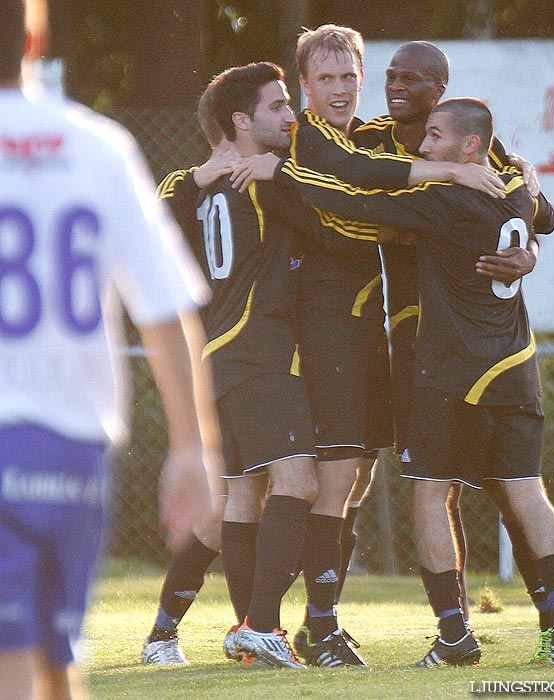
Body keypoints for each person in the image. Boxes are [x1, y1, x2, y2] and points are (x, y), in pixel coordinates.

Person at [274, 97, 554, 668]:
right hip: (518, 366)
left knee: (428, 491)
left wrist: (284, 169)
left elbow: (351, 206)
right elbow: (541, 213)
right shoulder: (515, 180)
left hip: (453, 373)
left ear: (470, 145)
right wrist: (532, 240)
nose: (425, 147)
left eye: (437, 136)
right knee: (526, 490)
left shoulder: (446, 200)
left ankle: (452, 636)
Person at [230, 24, 505, 668]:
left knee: (354, 480)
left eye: (350, 76)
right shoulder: (310, 135)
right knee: (334, 477)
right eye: (325, 79)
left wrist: (525, 219)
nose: (341, 90)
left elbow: (491, 160)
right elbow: (353, 195)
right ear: (305, 86)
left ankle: (308, 624)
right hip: (325, 329)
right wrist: (440, 183)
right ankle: (297, 626)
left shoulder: (374, 132)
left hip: (363, 331)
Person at [0, 1, 215, 698]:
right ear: (36, 36)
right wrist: (192, 447)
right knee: (58, 662)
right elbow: (164, 308)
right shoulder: (97, 145)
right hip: (73, 447)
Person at [352, 40, 554, 662]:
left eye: (411, 79)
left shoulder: (486, 149)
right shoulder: (370, 139)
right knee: (433, 485)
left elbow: (538, 215)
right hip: (414, 331)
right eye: (389, 77)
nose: (395, 87)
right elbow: (350, 179)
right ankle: (456, 623)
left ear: (441, 89)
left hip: (455, 336)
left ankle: (538, 616)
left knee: (486, 484)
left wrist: (528, 254)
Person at [181, 62, 334, 671]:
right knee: (300, 481)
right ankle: (266, 626)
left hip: (220, 351)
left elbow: (169, 202)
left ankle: (248, 632)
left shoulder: (207, 187)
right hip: (257, 350)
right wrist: (289, 174)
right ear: (242, 123)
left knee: (243, 495)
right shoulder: (261, 182)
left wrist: (192, 176)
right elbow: (335, 229)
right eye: (276, 107)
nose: (290, 116)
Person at [141, 83, 244, 668]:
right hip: (222, 365)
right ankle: (168, 632)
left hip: (283, 357)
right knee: (235, 502)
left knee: (297, 494)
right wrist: (200, 177)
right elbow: (148, 220)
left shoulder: (288, 173)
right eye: (275, 106)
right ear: (237, 120)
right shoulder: (193, 186)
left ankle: (264, 627)